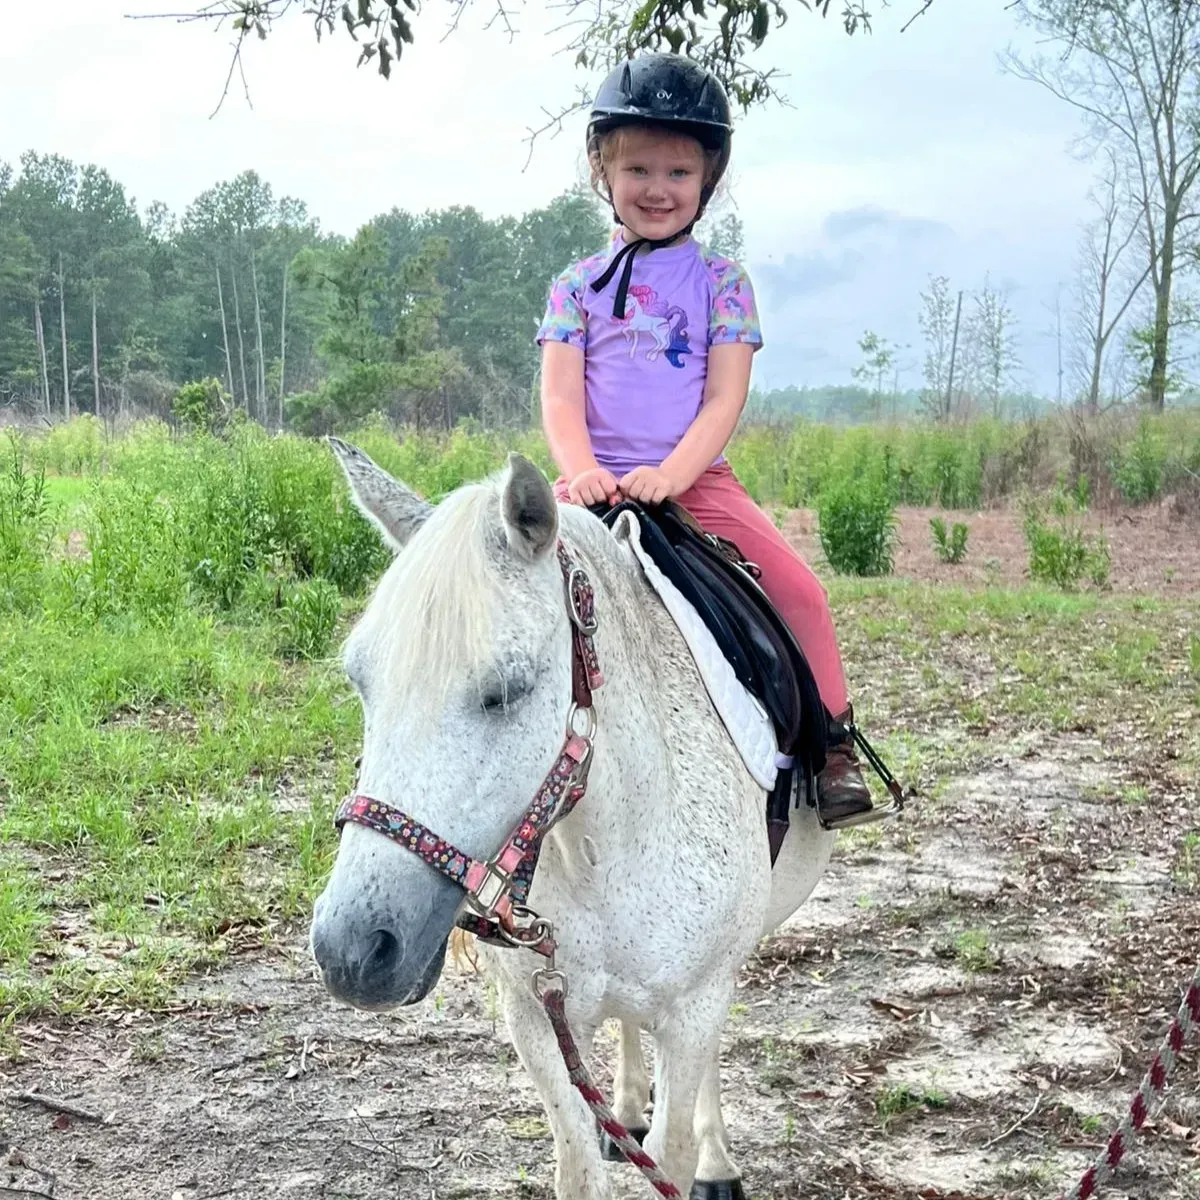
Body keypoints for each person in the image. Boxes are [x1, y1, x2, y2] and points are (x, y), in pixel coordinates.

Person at [536, 53, 875, 828]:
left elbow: (724, 397)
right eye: (639, 169)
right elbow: (559, 395)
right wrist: (582, 471)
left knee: (803, 593)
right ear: (601, 170)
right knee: (498, 578)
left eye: (679, 172)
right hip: (591, 483)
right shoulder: (575, 286)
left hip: (697, 483)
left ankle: (833, 748)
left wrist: (672, 474)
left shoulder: (723, 283)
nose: (658, 188)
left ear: (707, 179)